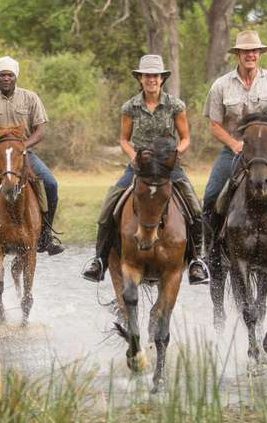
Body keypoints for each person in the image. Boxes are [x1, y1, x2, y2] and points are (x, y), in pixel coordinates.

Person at [81, 54, 209, 285]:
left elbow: (186, 138)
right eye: (147, 76)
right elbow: (123, 139)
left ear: (162, 79)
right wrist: (133, 157)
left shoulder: (175, 105)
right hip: (140, 167)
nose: (151, 79)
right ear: (140, 79)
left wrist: (175, 154)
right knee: (110, 204)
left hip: (168, 167)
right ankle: (99, 259)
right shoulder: (130, 106)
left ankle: (196, 261)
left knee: (195, 208)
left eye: (155, 76)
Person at [202, 31, 267, 289]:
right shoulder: (221, 85)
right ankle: (210, 256)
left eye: (255, 51)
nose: (251, 55)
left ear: (260, 54)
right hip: (234, 152)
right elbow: (214, 125)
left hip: (266, 154)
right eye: (246, 51)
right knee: (211, 196)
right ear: (237, 54)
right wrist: (234, 143)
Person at [0, 56, 64, 273]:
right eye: (2, 75)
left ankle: (46, 236)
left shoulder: (30, 98)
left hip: (24, 153)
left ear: (16, 76)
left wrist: (22, 146)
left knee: (50, 183)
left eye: (10, 74)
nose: (6, 78)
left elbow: (41, 130)